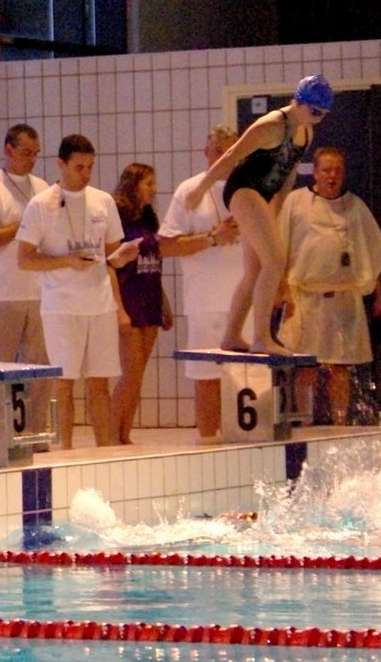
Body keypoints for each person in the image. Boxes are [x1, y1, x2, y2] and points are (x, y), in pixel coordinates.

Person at [187, 74, 333, 355]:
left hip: (263, 195)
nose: (319, 118)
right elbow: (231, 155)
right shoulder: (272, 124)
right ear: (300, 102)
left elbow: (289, 172)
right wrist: (201, 189)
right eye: (315, 112)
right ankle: (261, 337)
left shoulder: (306, 132)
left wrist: (278, 205)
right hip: (243, 189)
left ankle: (231, 336)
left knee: (255, 271)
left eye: (324, 114)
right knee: (275, 261)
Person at [17, 134, 134, 450]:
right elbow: (24, 259)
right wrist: (67, 261)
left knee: (99, 384)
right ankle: (64, 450)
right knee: (64, 384)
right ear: (61, 164)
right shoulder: (41, 205)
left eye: (90, 167)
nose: (86, 174)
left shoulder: (103, 201)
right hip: (62, 307)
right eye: (79, 167)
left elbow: (112, 255)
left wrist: (123, 257)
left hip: (100, 304)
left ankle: (105, 449)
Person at [275, 147, 381, 425]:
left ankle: (340, 423)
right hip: (306, 297)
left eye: (338, 170)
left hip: (343, 297)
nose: (332, 176)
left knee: (340, 367)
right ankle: (305, 422)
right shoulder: (296, 202)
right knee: (307, 366)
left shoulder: (355, 207)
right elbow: (278, 251)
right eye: (326, 170)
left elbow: (370, 253)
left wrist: (379, 295)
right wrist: (281, 292)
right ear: (315, 172)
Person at [159, 125, 242, 441]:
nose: (222, 157)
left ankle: (247, 443)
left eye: (229, 151)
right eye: (216, 151)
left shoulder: (250, 188)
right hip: (205, 301)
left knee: (249, 377)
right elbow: (166, 246)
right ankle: (207, 441)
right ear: (205, 152)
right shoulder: (189, 191)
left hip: (245, 302)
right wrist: (211, 238)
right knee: (206, 375)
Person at [0, 123, 52, 436]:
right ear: (9, 149)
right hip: (2, 294)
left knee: (40, 369)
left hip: (40, 292)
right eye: (26, 152)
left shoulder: (43, 188)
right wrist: (24, 223)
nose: (32, 159)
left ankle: (35, 434)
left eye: (36, 153)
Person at [110, 162, 177, 445]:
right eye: (148, 183)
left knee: (138, 376)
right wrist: (118, 309)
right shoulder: (117, 215)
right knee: (131, 374)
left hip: (150, 298)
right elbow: (109, 265)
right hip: (128, 298)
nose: (154, 189)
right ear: (133, 185)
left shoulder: (149, 217)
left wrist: (164, 303)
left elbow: (154, 262)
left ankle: (124, 434)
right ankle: (110, 434)